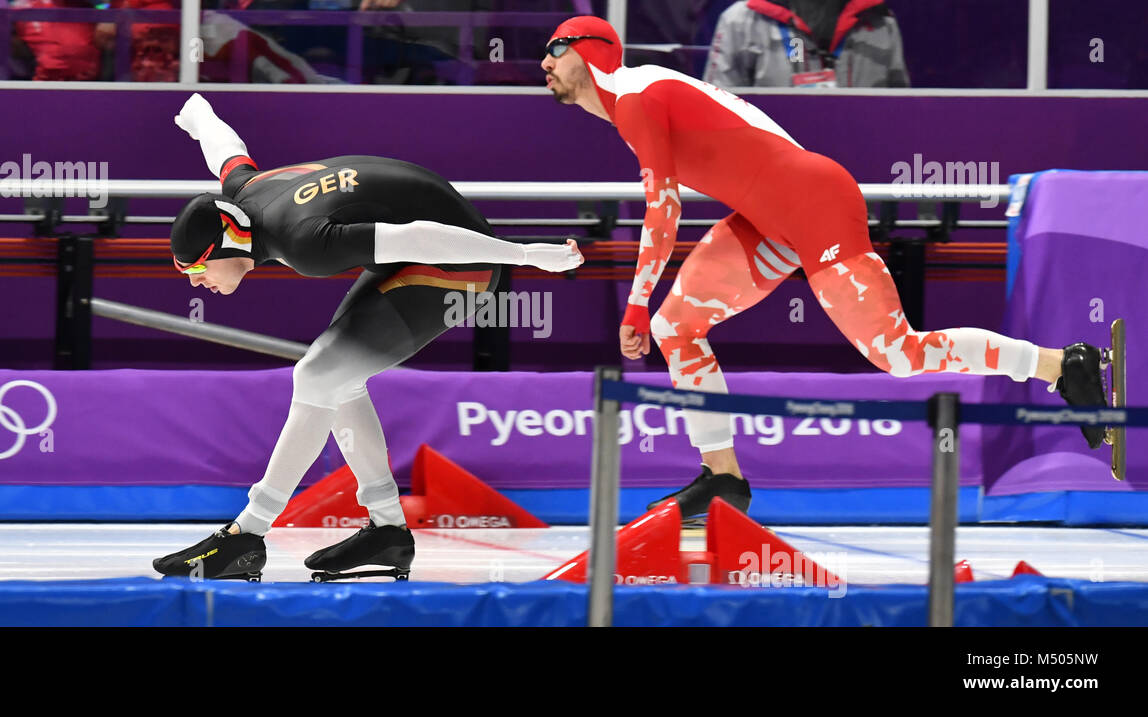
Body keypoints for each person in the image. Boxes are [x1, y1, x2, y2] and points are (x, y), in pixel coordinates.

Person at [540, 16, 1112, 521]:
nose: (544, 60)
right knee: (676, 328)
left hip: (813, 204)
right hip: (767, 215)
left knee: (898, 353)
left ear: (590, 49)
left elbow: (664, 208)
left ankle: (1063, 366)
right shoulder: (635, 100)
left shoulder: (636, 95)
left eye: (556, 46)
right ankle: (723, 479)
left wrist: (635, 301)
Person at [152, 94, 583, 581]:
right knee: (337, 379)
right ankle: (388, 531)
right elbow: (227, 152)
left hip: (458, 255)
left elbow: (421, 237)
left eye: (197, 268)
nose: (195, 282)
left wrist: (525, 255)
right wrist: (199, 117)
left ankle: (246, 535)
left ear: (229, 239)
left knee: (317, 375)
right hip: (415, 245)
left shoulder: (303, 240)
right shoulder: (243, 193)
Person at [703, 0, 909, 88]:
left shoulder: (882, 24)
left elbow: (899, 114)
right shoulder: (740, 22)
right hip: (769, 169)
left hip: (859, 167)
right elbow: (714, 116)